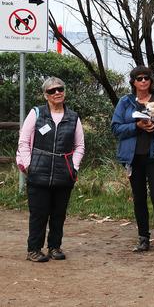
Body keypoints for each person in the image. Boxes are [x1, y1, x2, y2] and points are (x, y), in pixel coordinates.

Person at [111, 66, 154, 254]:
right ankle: (143, 238)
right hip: (133, 158)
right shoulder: (125, 102)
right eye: (139, 78)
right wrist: (137, 126)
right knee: (139, 198)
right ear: (133, 82)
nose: (143, 81)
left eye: (146, 78)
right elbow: (116, 128)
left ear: (151, 80)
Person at [16, 77, 85, 262]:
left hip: (64, 173)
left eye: (60, 89)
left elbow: (80, 146)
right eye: (52, 91)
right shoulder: (36, 113)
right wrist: (30, 165)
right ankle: (34, 249)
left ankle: (55, 247)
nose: (57, 93)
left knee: (58, 214)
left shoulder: (73, 117)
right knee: (39, 214)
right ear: (45, 95)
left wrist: (74, 166)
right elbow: (23, 141)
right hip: (38, 172)